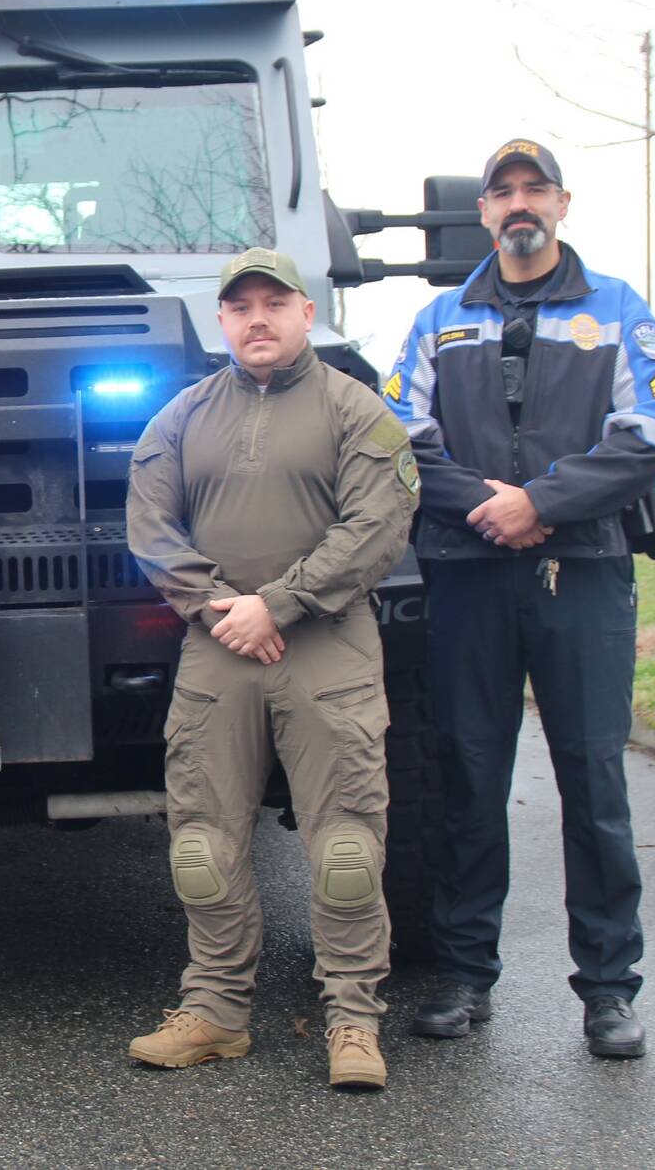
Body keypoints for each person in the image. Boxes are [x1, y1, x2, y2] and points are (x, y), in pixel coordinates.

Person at [382, 139, 655, 1059]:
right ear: (483, 212)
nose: (519, 203)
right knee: (470, 777)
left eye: (534, 189)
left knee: (594, 782)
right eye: (502, 191)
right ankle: (465, 977)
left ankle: (609, 991)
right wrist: (491, 509)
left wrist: (540, 504)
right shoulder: (437, 320)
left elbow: (646, 437)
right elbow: (401, 438)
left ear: (562, 203)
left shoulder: (619, 311)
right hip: (470, 575)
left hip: (582, 570)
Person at [125, 247, 421, 1090]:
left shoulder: (358, 412)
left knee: (346, 847)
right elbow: (150, 526)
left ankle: (354, 1019)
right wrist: (222, 607)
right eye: (241, 306)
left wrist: (278, 603)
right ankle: (215, 1009)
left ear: (305, 312)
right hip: (218, 653)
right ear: (221, 321)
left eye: (274, 303)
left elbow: (375, 528)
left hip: (327, 649)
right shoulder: (178, 418)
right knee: (201, 844)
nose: (257, 319)